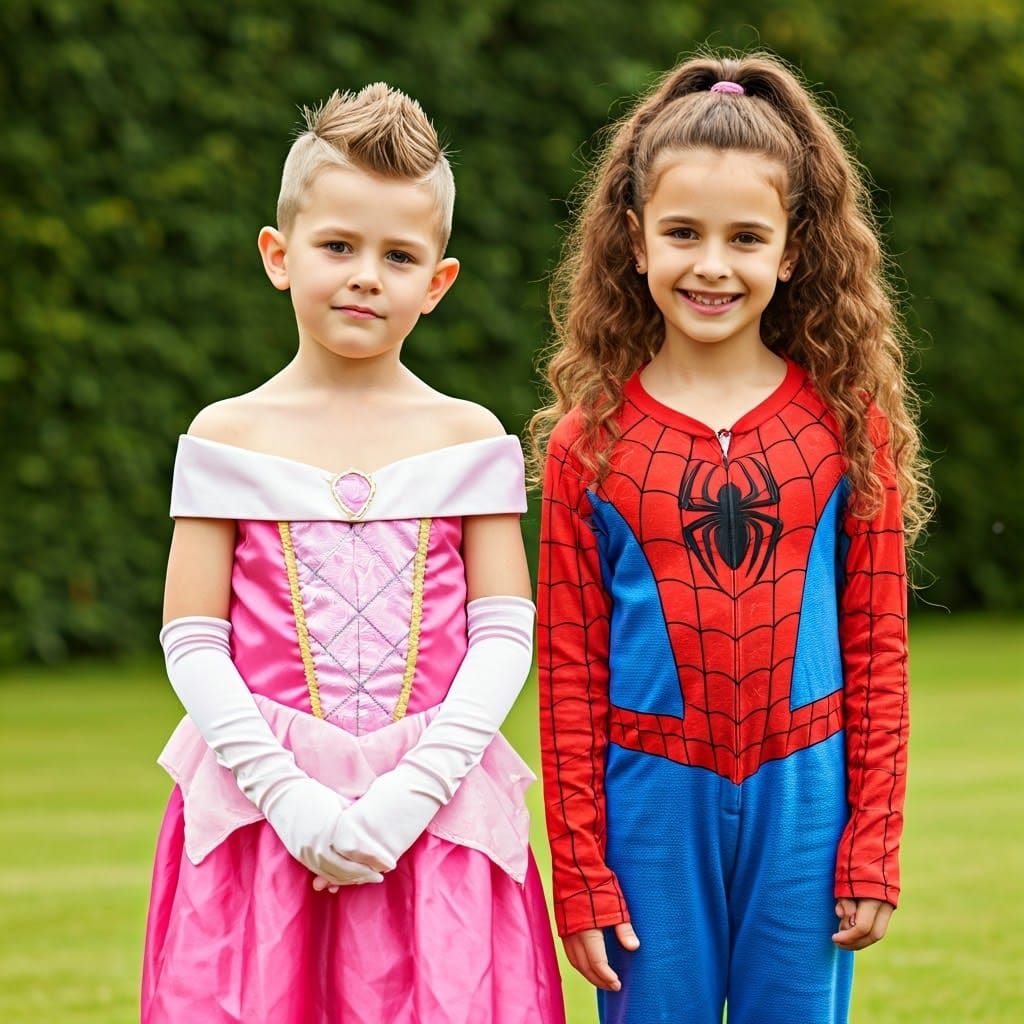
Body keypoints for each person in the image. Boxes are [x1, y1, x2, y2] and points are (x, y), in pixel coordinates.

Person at [142, 83, 565, 1024]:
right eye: (339, 246)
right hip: (262, 819)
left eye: (398, 255)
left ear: (438, 281)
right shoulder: (227, 436)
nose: (366, 274)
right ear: (279, 255)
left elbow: (503, 632)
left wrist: (413, 792)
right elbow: (192, 638)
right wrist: (290, 800)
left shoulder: (470, 438)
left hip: (437, 818)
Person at [530, 51, 929, 1024]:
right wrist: (580, 873)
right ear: (633, 241)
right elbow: (569, 674)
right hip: (647, 810)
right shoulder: (591, 444)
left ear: (792, 249)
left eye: (745, 236)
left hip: (807, 800)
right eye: (682, 233)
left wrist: (870, 842)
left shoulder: (845, 426)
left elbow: (876, 648)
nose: (712, 264)